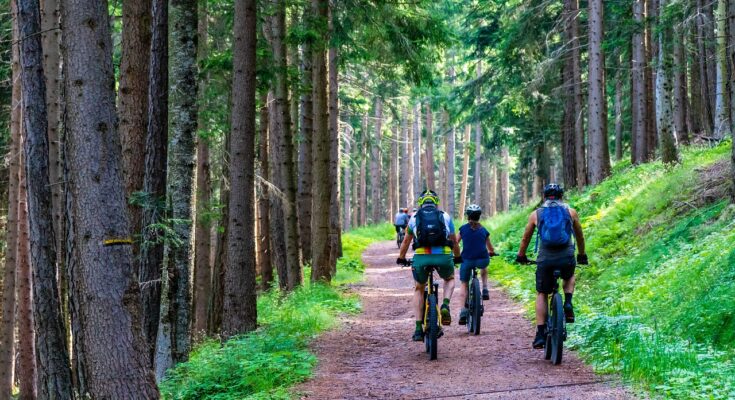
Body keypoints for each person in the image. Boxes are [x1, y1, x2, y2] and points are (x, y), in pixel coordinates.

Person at [515, 183, 588, 349]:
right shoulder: (571, 212)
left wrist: (521, 256)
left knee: (542, 292)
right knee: (569, 276)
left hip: (545, 258)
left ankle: (540, 334)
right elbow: (580, 236)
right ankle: (568, 302)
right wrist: (582, 255)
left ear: (544, 196)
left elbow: (525, 239)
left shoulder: (536, 214)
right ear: (561, 196)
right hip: (566, 256)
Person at [397, 190, 462, 341]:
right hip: (443, 256)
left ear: (420, 203)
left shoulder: (414, 217)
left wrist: (401, 258)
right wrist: (457, 257)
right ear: (435, 202)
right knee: (450, 278)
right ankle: (445, 305)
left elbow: (406, 241)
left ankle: (418, 328)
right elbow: (453, 240)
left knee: (419, 288)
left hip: (421, 257)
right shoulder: (445, 216)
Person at [456, 204, 497, 325]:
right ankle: (484, 288)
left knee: (464, 283)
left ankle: (463, 310)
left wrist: (456, 255)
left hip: (466, 260)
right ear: (479, 217)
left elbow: (456, 243)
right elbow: (490, 247)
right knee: (484, 266)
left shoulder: (463, 229)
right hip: (482, 260)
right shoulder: (484, 230)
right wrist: (492, 252)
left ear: (468, 216)